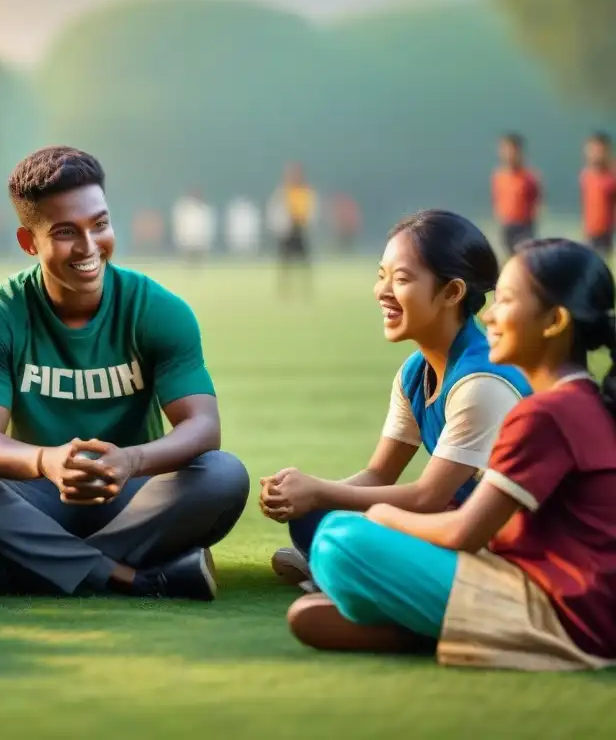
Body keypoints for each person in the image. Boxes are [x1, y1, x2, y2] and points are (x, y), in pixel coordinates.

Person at [0, 146, 250, 601]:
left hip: (136, 496)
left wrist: (133, 460)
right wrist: (45, 462)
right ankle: (130, 577)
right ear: (29, 242)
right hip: (38, 498)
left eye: (99, 224)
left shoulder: (159, 310)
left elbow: (203, 425)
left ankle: (17, 568)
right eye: (65, 232)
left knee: (223, 474)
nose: (89, 246)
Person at [288, 238, 616, 672]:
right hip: (576, 600)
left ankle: (450, 629)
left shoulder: (547, 413)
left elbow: (465, 533)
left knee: (337, 541)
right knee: (310, 607)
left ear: (554, 322)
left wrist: (384, 515)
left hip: (563, 612)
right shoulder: (580, 400)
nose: (489, 315)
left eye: (506, 302)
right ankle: (435, 626)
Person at [263, 210, 531, 591]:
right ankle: (340, 562)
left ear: (451, 292)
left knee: (340, 528)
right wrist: (306, 494)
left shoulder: (481, 381)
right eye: (381, 276)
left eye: (401, 279)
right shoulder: (414, 373)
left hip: (499, 538)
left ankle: (344, 567)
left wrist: (319, 491)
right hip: (450, 519)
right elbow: (378, 475)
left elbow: (427, 496)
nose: (383, 292)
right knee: (313, 518)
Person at [268, 163, 315, 298]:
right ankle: (285, 291)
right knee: (285, 264)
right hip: (287, 232)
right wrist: (278, 227)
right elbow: (275, 211)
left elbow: (310, 210)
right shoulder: (283, 192)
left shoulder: (305, 192)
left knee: (305, 262)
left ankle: (305, 290)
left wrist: (307, 222)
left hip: (300, 230)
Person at [492, 133, 541, 257]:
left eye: (512, 150)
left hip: (524, 227)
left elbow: (537, 200)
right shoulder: (499, 176)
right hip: (506, 226)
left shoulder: (529, 177)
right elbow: (497, 199)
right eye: (505, 149)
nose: (509, 154)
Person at [580, 132, 616, 259]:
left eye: (598, 150)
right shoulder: (586, 175)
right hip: (590, 232)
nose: (595, 154)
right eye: (592, 150)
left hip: (606, 232)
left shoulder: (611, 176)